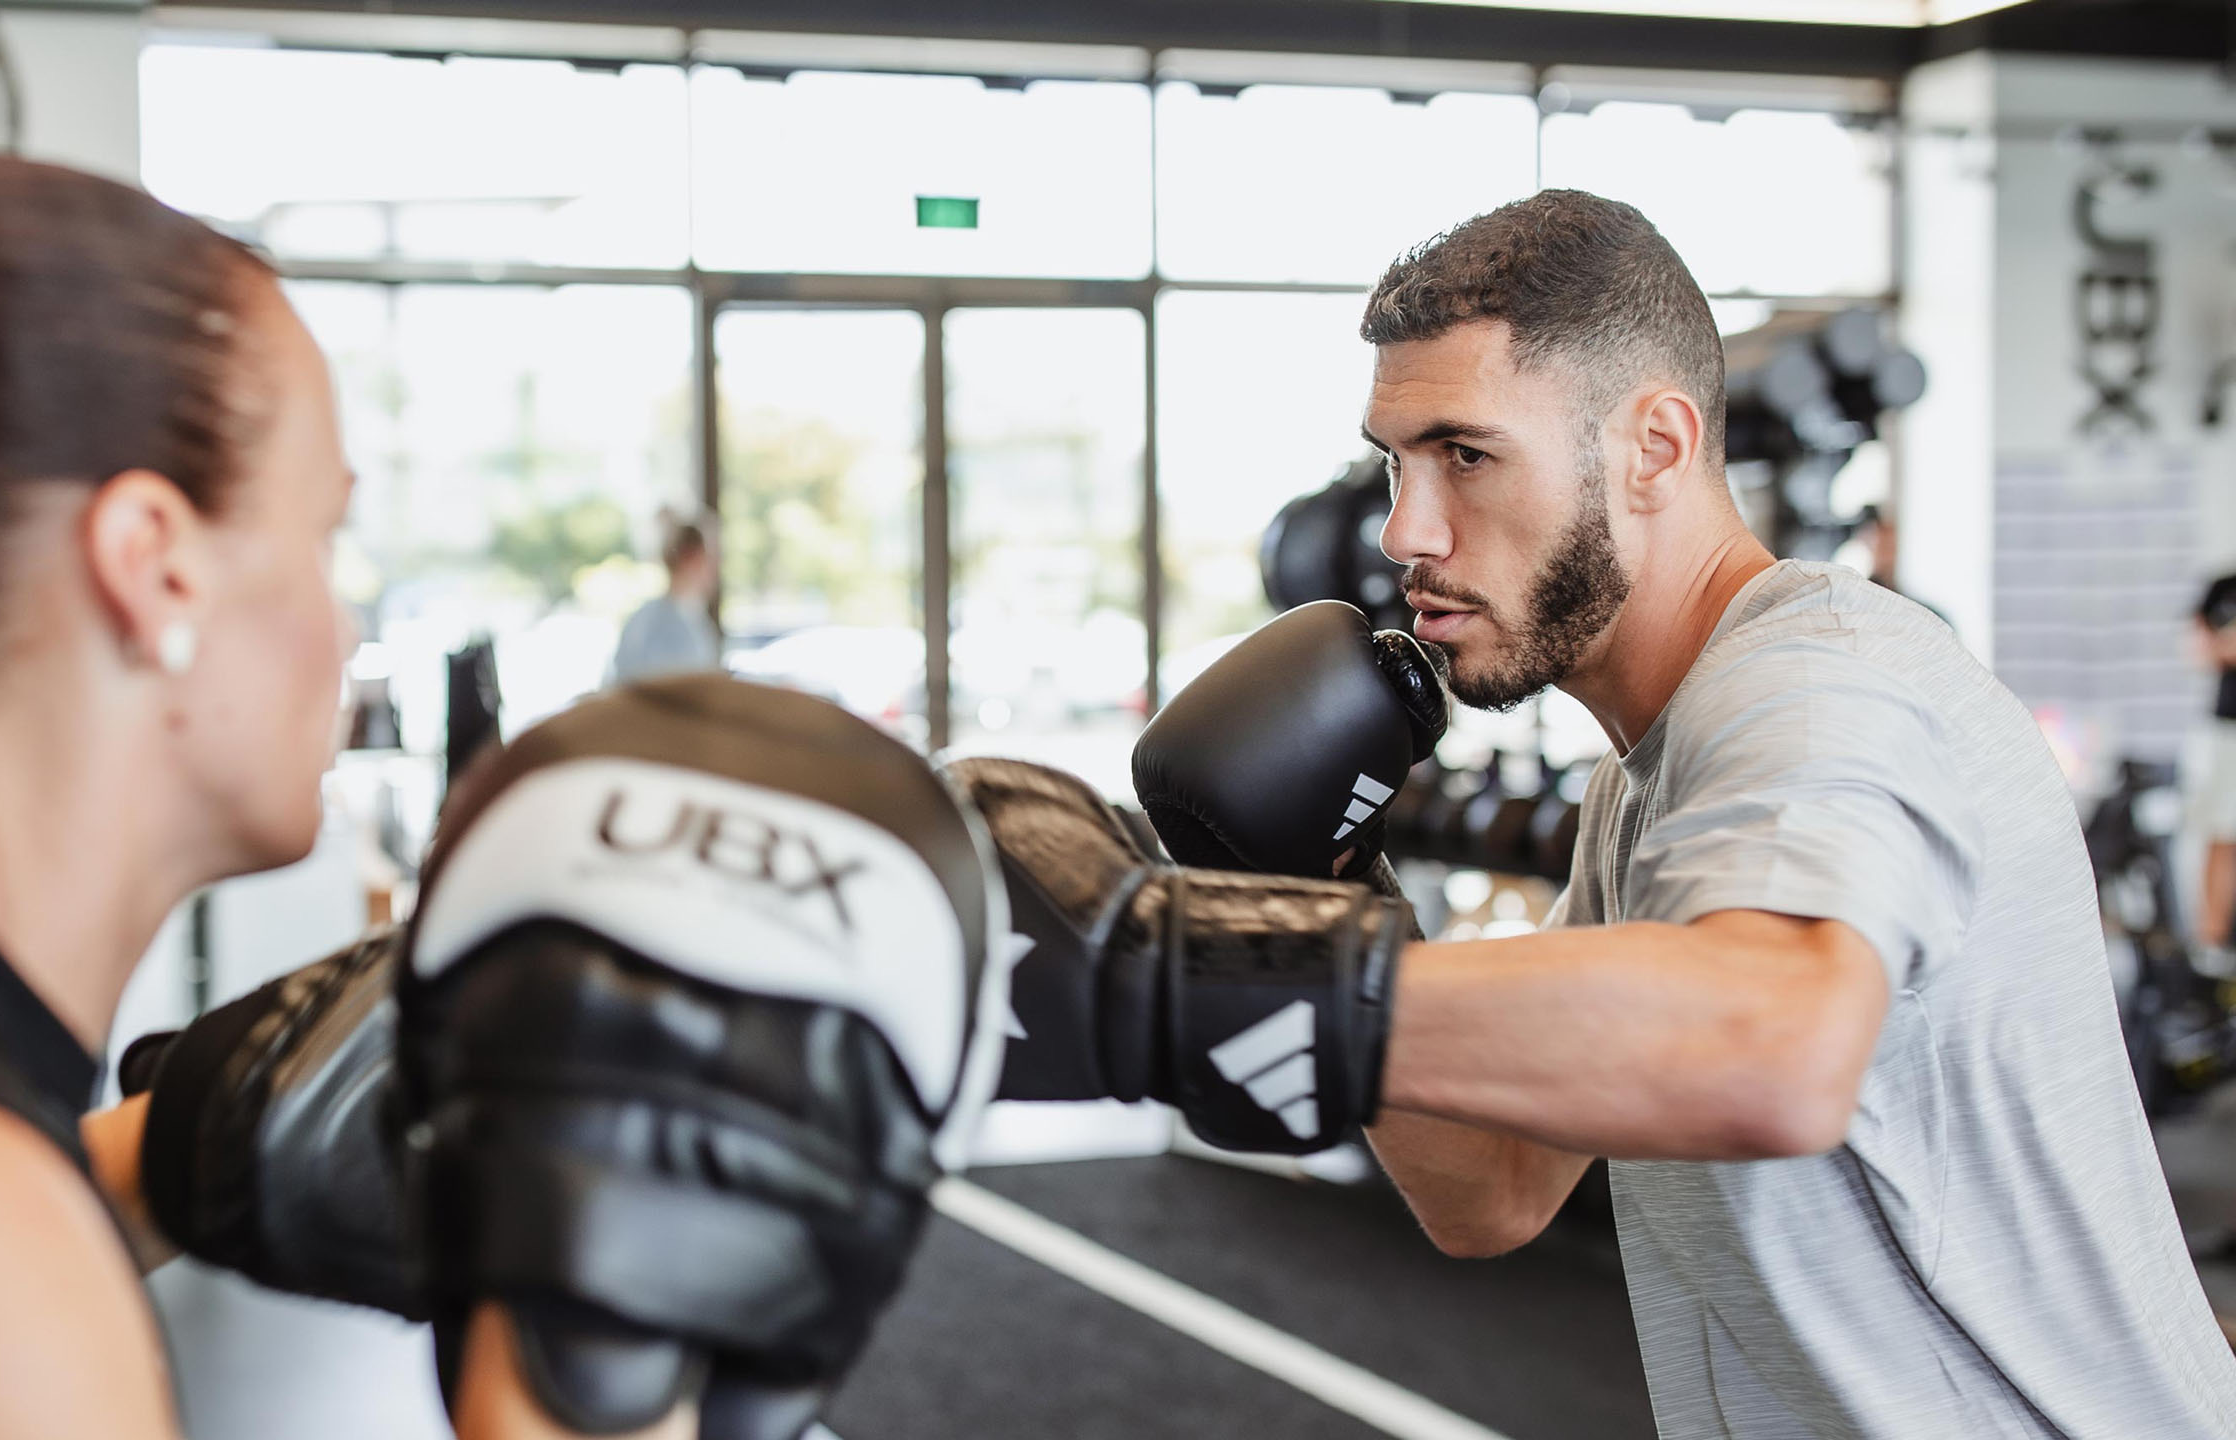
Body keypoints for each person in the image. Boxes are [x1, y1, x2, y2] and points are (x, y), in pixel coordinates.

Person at [0, 160, 973, 1440]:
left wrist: (163, 1159)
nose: (343, 624)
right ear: (156, 565)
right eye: (321, 538)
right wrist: (567, 1388)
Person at [1008, 189, 2235, 1437]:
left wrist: (1179, 969)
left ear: (1654, 446)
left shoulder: (1816, 688)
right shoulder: (1643, 777)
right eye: (1397, 461)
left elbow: (1779, 1047)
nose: (1403, 531)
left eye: (1466, 456)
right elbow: (1490, 1192)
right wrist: (1332, 888)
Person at [610, 515, 721, 683]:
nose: (716, 568)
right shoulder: (657, 624)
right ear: (691, 557)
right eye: (711, 558)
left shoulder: (693, 618)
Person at [2189, 574, 2236, 952]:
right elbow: (2196, 644)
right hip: (2228, 732)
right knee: (2222, 835)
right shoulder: (2223, 587)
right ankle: (2212, 941)